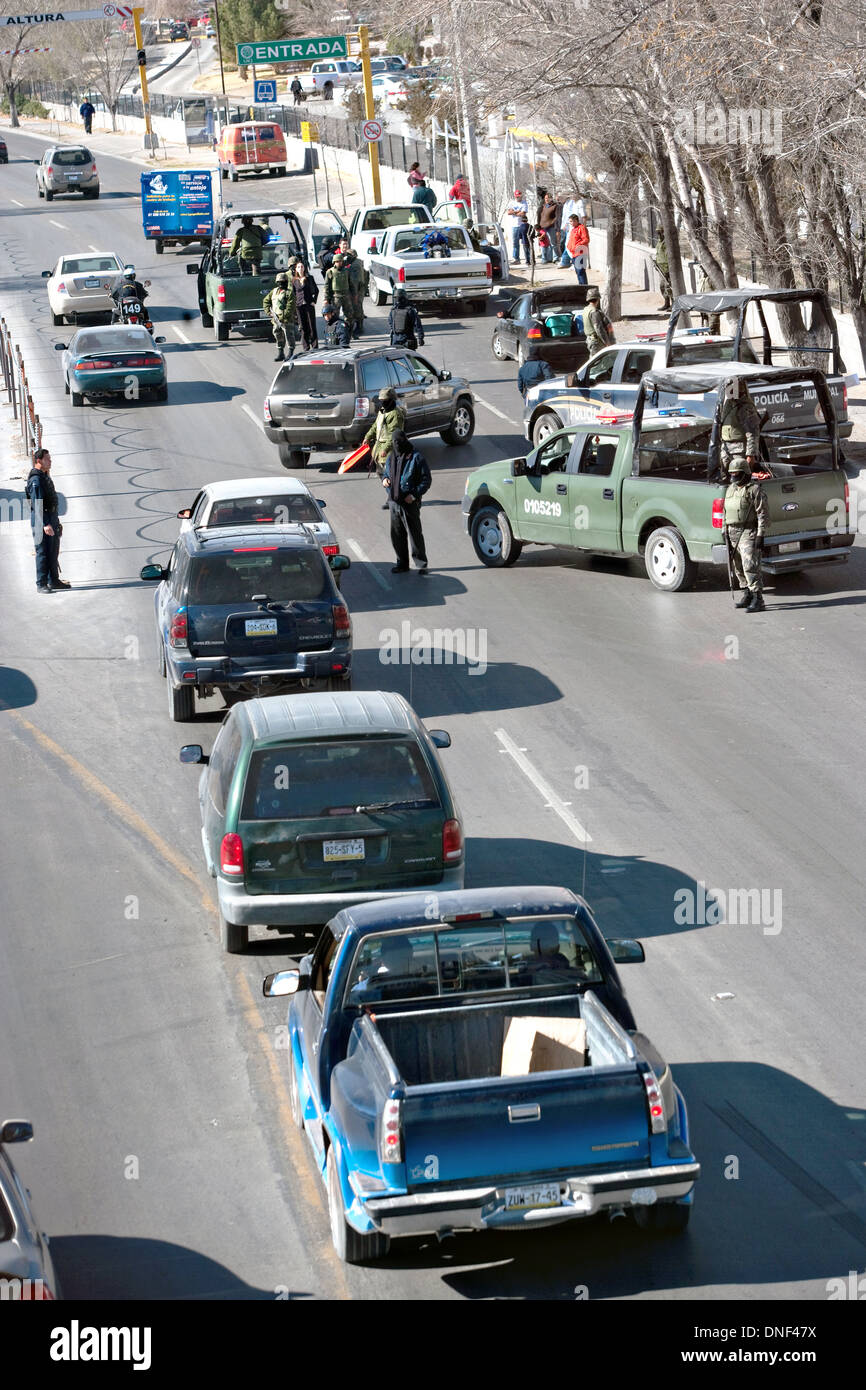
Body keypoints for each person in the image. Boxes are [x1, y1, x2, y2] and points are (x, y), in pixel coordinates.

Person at [382, 428, 430, 573]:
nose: (396, 444)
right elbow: (386, 473)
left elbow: (426, 480)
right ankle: (402, 564)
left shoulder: (416, 457)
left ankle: (421, 564)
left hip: (410, 504)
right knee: (397, 535)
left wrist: (414, 495)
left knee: (415, 535)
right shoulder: (391, 457)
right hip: (394, 502)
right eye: (394, 442)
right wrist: (385, 480)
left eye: (398, 442)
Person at [724, 456, 768, 612]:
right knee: (737, 565)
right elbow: (725, 511)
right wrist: (724, 531)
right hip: (732, 532)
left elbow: (762, 513)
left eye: (737, 474)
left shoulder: (754, 490)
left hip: (748, 531)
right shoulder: (730, 489)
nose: (734, 477)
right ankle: (747, 593)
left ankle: (758, 598)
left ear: (745, 473)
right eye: (732, 474)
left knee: (749, 564)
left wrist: (760, 535)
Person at [25, 448, 70, 593]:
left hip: (50, 518)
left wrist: (55, 521)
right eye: (47, 459)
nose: (50, 461)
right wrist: (45, 524)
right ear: (39, 461)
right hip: (41, 521)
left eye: (50, 459)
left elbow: (50, 501)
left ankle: (53, 581)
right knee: (42, 552)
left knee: (53, 550)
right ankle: (41, 583)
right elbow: (37, 504)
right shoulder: (36, 480)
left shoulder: (44, 476)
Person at [719, 377, 761, 482]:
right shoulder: (727, 404)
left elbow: (753, 432)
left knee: (740, 479)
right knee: (725, 479)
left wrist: (750, 455)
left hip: (739, 450)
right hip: (726, 448)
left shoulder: (745, 406)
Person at [364, 386, 406, 489]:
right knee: (381, 473)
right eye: (381, 400)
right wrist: (368, 437)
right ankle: (392, 495)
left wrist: (386, 449)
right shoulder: (382, 411)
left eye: (385, 400)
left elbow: (394, 434)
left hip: (390, 449)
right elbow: (376, 425)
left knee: (391, 475)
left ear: (391, 400)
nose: (383, 403)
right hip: (378, 448)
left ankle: (393, 497)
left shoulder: (395, 414)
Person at [262, 271, 296, 361]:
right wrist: (268, 312)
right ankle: (281, 353)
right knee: (278, 335)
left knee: (289, 336)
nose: (281, 283)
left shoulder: (289, 293)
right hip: (276, 319)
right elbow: (266, 301)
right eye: (279, 282)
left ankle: (291, 353)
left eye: (283, 281)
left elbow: (290, 307)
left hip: (286, 320)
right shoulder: (274, 291)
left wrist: (282, 317)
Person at [339, 242, 366, 338]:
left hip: (357, 290)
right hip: (360, 288)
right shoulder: (358, 262)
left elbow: (354, 281)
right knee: (358, 307)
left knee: (356, 308)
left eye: (349, 255)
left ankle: (359, 327)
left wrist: (354, 294)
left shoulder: (355, 266)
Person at [292, 259, 318, 350]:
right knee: (303, 327)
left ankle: (315, 346)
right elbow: (293, 293)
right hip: (299, 306)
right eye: (298, 267)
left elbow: (316, 290)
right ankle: (306, 347)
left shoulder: (309, 278)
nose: (300, 268)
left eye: (302, 266)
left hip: (308, 304)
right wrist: (295, 304)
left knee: (311, 325)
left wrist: (314, 301)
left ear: (304, 268)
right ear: (296, 269)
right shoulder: (294, 280)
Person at [323, 253, 354, 325]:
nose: (339, 263)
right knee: (334, 315)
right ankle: (336, 331)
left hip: (346, 295)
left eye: (340, 261)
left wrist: (354, 294)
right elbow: (326, 286)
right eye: (337, 261)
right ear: (334, 262)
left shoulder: (346, 271)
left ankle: (349, 332)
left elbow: (351, 283)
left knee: (349, 315)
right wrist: (326, 299)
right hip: (336, 296)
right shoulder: (330, 272)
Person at [583, 287, 615, 355]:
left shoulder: (586, 310)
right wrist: (607, 343)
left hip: (591, 340)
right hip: (597, 343)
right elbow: (599, 329)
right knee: (600, 363)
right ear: (598, 299)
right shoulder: (594, 312)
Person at [504, 189, 530, 265]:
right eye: (516, 196)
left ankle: (528, 260)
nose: (518, 198)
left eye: (519, 196)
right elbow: (509, 212)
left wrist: (514, 212)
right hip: (514, 226)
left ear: (521, 196)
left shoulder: (524, 203)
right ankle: (516, 259)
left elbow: (523, 214)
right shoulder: (512, 203)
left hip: (523, 225)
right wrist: (517, 212)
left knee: (525, 243)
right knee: (515, 243)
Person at [565, 214, 590, 284]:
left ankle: (584, 288)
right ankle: (581, 287)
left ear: (576, 221)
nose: (570, 223)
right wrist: (569, 247)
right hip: (574, 254)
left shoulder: (581, 228)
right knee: (578, 272)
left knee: (580, 271)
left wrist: (577, 245)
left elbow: (586, 239)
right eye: (570, 221)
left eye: (572, 221)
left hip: (580, 252)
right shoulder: (573, 229)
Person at [537, 192, 559, 262]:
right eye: (545, 198)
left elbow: (556, 217)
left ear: (551, 198)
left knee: (553, 243)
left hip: (550, 227)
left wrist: (551, 223)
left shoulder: (554, 206)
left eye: (547, 198)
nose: (546, 200)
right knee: (543, 243)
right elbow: (541, 216)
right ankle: (545, 258)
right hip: (543, 227)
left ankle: (555, 258)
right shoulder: (543, 206)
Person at [654, 230, 672, 311]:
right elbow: (658, 254)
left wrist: (668, 269)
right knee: (662, 287)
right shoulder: (658, 243)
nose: (659, 235)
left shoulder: (666, 243)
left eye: (660, 232)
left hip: (666, 269)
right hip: (660, 268)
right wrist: (656, 262)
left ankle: (673, 304)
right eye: (658, 233)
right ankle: (666, 303)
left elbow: (668, 256)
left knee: (669, 287)